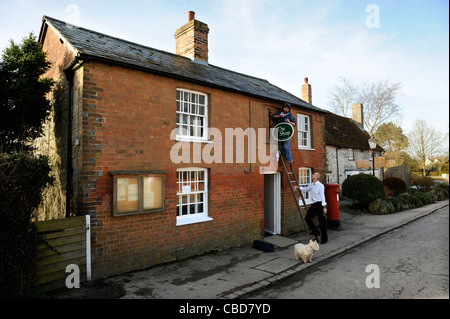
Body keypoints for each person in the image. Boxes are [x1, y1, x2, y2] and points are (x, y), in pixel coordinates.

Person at [294, 172, 328, 244]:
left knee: (322, 223)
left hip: (320, 205)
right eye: (313, 174)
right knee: (307, 218)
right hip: (314, 204)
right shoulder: (312, 184)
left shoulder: (320, 186)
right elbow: (306, 189)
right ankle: (316, 231)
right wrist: (298, 187)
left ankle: (324, 239)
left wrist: (324, 207)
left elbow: (322, 196)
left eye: (314, 174)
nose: (312, 175)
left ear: (317, 177)